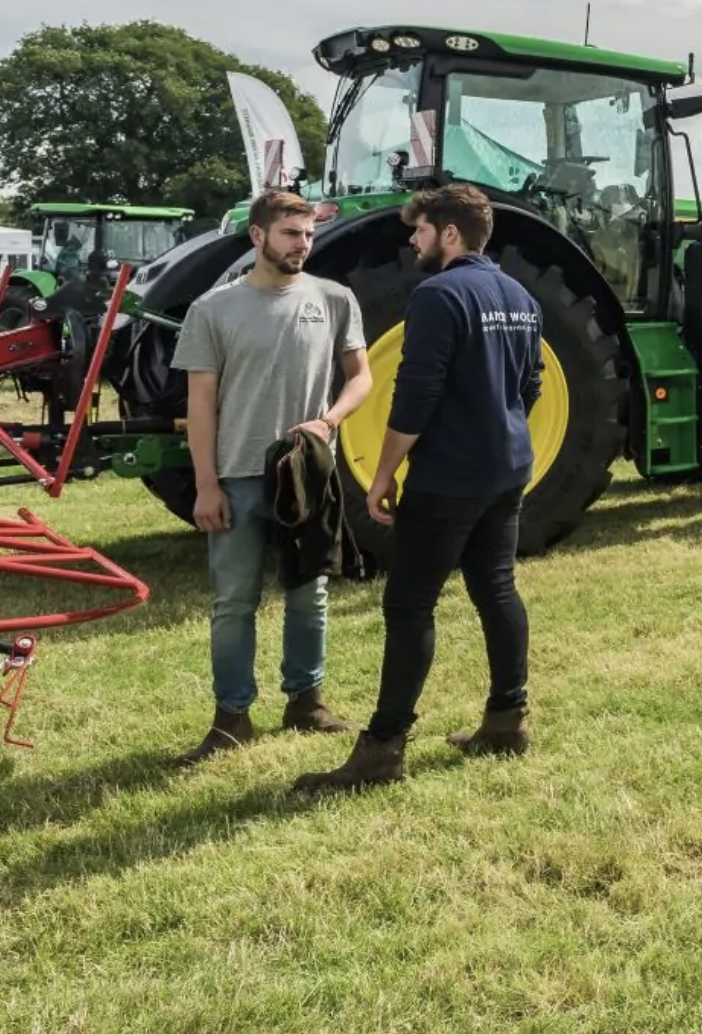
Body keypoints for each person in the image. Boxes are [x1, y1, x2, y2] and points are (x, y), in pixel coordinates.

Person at [294, 184, 543, 796]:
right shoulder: (519, 295)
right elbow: (529, 384)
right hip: (507, 468)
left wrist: (382, 475)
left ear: (449, 233)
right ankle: (506, 721)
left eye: (421, 230)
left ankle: (381, 749)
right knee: (497, 588)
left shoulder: (438, 294)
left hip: (449, 476)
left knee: (409, 606)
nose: (412, 240)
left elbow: (416, 394)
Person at [171, 191, 373, 767]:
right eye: (290, 234)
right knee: (234, 602)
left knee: (310, 596)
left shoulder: (335, 300)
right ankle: (231, 718)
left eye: (307, 235)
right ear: (258, 237)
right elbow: (201, 404)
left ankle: (305, 702)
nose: (301, 245)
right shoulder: (214, 309)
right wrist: (206, 485)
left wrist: (330, 419)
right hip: (236, 475)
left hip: (306, 476)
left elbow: (362, 378)